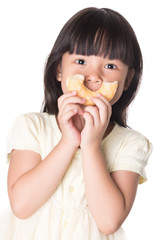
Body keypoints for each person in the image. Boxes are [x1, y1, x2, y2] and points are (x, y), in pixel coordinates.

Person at [0, 7, 152, 240]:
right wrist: (68, 142)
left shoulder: (131, 143)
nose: (94, 76)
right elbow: (21, 205)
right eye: (81, 61)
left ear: (128, 79)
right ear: (59, 70)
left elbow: (109, 220)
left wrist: (91, 146)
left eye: (110, 66)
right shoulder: (30, 126)